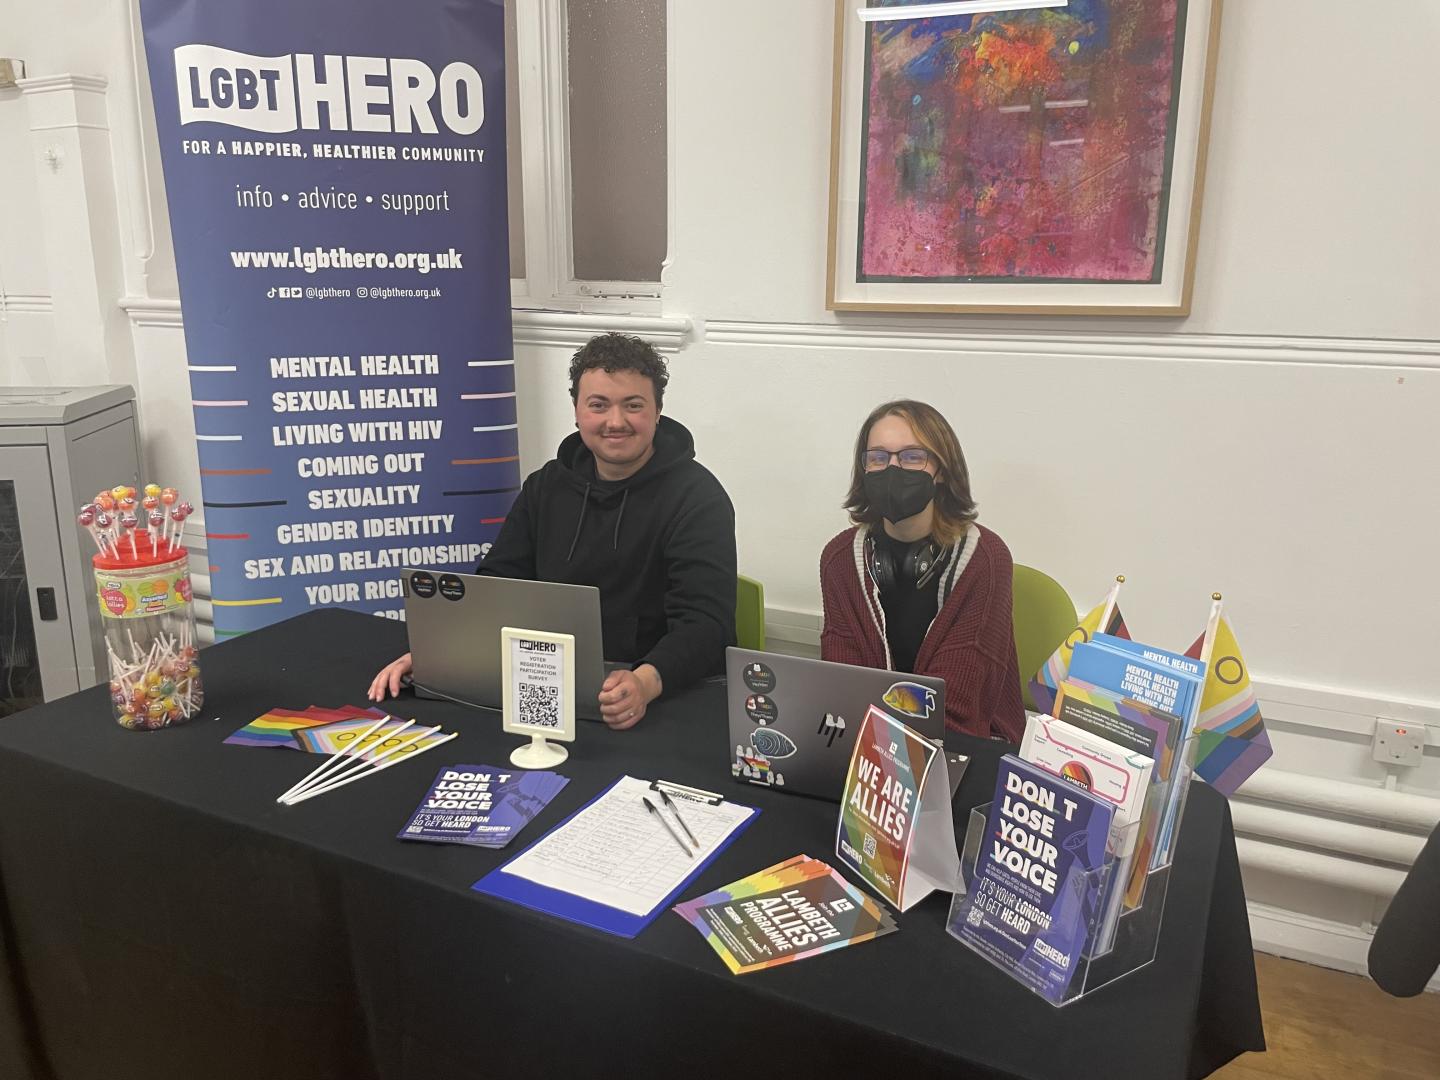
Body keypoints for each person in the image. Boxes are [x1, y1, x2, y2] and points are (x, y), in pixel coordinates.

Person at [369, 333, 737, 728]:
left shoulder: (698, 497)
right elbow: (499, 583)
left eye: (633, 405)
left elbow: (705, 625)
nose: (616, 422)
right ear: (577, 411)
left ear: (657, 411)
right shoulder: (547, 485)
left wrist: (644, 682)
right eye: (599, 405)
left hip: (654, 695)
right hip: (546, 683)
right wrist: (441, 655)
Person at [819, 400, 1024, 742]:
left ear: (941, 469)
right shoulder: (840, 558)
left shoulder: (984, 559)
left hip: (965, 743)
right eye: (878, 458)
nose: (892, 469)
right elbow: (843, 684)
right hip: (867, 743)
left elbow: (957, 706)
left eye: (912, 456)